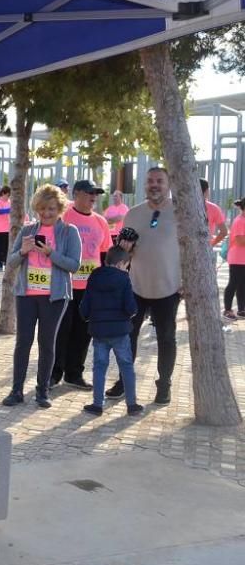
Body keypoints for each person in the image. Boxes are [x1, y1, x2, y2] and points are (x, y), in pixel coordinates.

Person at [1, 185, 81, 409]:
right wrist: (23, 251)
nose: (46, 213)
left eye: (52, 209)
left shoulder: (69, 232)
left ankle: (42, 391)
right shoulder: (28, 231)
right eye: (43, 209)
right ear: (36, 208)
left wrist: (50, 253)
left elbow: (74, 265)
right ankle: (16, 390)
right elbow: (11, 262)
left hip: (54, 297)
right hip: (26, 295)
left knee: (47, 344)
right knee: (22, 343)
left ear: (60, 209)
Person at [108, 167, 180, 406]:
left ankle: (164, 385)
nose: (154, 184)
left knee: (166, 338)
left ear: (169, 184)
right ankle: (124, 381)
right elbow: (119, 256)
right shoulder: (133, 214)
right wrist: (123, 250)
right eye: (150, 181)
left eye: (160, 180)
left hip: (169, 288)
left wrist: (186, 284)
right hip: (136, 287)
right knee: (127, 337)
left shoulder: (180, 212)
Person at [51, 180, 113, 390]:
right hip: (64, 285)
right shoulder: (63, 216)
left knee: (83, 332)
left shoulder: (101, 222)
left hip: (90, 289)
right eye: (89, 193)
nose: (93, 197)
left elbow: (104, 254)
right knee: (61, 331)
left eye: (96, 193)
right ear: (76, 194)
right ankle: (53, 373)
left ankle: (74, 373)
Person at [80, 246, 142, 416]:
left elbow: (85, 305)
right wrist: (134, 313)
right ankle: (132, 404)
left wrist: (87, 317)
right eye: (127, 265)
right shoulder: (124, 279)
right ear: (121, 263)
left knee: (99, 367)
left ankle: (97, 404)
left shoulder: (94, 276)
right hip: (120, 331)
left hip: (99, 331)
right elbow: (130, 307)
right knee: (126, 366)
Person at [223, 196, 245, 319]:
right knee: (234, 284)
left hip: (243, 259)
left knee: (243, 285)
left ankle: (241, 309)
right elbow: (240, 240)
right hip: (237, 259)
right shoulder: (239, 221)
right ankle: (227, 310)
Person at [200, 178, 228, 250]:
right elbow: (224, 231)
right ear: (206, 191)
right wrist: (211, 244)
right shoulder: (214, 208)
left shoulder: (184, 208)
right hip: (204, 248)